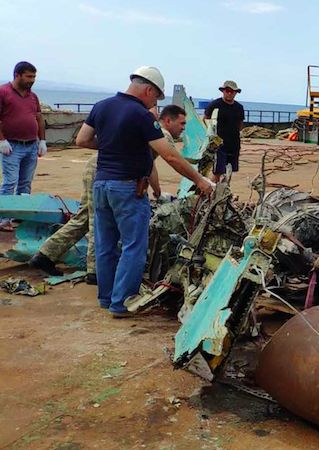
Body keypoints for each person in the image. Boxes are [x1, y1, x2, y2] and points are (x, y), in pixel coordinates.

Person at [75, 66, 214, 318]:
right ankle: (122, 302)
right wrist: (199, 180)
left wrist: (113, 146)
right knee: (134, 246)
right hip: (128, 188)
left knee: (106, 245)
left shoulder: (101, 106)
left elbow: (82, 140)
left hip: (101, 185)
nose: (155, 105)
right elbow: (170, 156)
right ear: (149, 90)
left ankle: (106, 297)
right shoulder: (141, 115)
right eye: (156, 98)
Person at [29, 105, 189, 281]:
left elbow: (149, 164)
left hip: (98, 166)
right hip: (106, 171)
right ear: (168, 121)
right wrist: (198, 181)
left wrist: (156, 190)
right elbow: (172, 159)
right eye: (182, 123)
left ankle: (45, 255)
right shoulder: (162, 135)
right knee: (98, 220)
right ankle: (95, 271)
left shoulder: (150, 130)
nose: (184, 128)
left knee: (84, 218)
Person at [0, 61, 47, 232]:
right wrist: (1, 140)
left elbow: (39, 118)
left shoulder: (32, 96)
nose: (32, 80)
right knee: (10, 182)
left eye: (34, 77)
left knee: (25, 183)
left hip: (31, 145)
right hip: (12, 146)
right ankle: (3, 219)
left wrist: (42, 140)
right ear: (17, 75)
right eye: (29, 76)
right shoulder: (3, 92)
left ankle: (20, 215)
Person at [204, 80, 244, 183]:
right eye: (227, 91)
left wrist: (238, 133)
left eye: (232, 91)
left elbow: (240, 123)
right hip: (219, 144)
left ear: (236, 93)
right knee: (218, 171)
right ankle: (211, 189)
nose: (229, 93)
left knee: (229, 171)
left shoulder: (239, 108)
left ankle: (224, 190)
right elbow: (205, 119)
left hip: (234, 144)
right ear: (223, 91)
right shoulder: (214, 105)